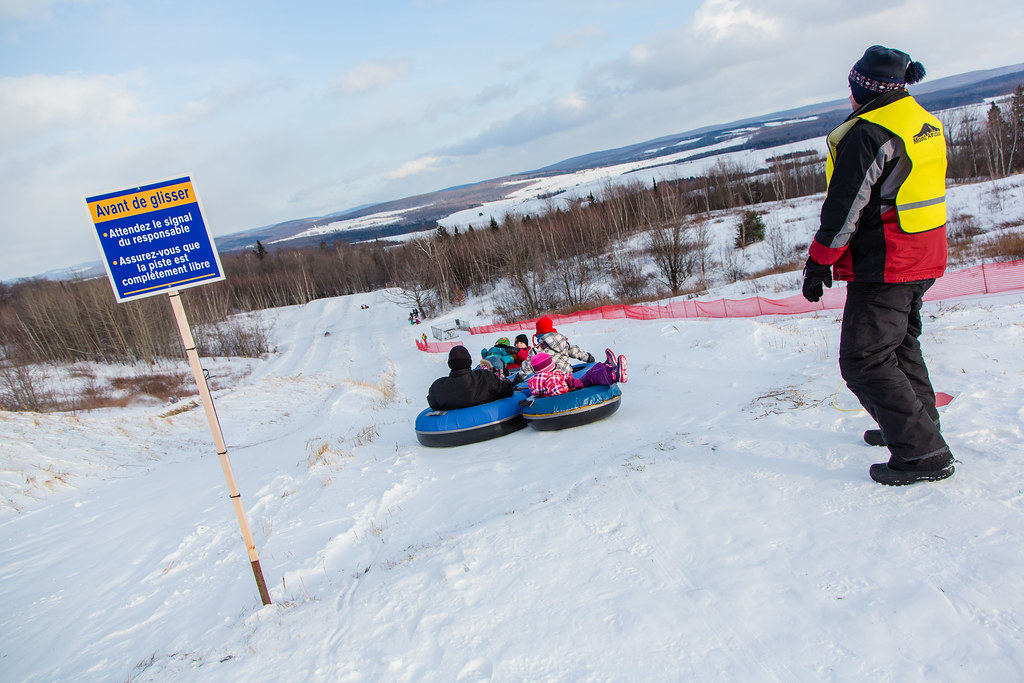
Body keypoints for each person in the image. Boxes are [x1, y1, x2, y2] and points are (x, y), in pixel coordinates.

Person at [801, 45, 953, 486]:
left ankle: (923, 453)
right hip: (924, 252)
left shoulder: (869, 133)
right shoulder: (921, 120)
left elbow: (845, 208)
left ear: (859, 88)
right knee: (900, 348)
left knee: (864, 359)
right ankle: (914, 429)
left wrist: (818, 261)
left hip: (888, 261)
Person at [427, 345, 514, 411]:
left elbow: (432, 403)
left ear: (450, 364)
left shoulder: (437, 387)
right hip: (488, 418)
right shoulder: (483, 377)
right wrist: (505, 380)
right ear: (469, 362)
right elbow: (507, 391)